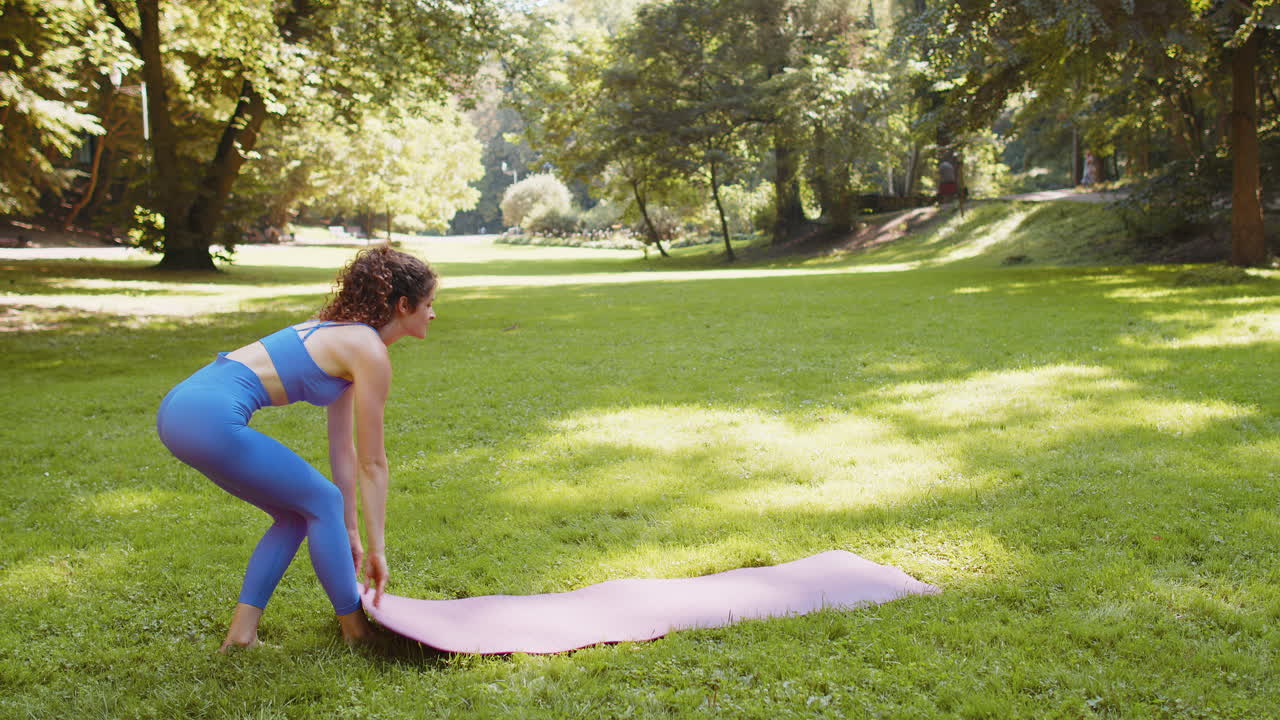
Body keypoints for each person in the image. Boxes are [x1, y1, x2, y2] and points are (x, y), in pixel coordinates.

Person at [156, 246, 438, 651]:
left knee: (295, 514)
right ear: (404, 304)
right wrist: (378, 551)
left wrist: (351, 531)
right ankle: (356, 633)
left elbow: (344, 451)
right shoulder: (368, 350)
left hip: (181, 409)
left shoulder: (342, 334)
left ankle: (241, 636)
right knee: (320, 498)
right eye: (428, 304)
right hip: (207, 417)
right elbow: (374, 463)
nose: (433, 314)